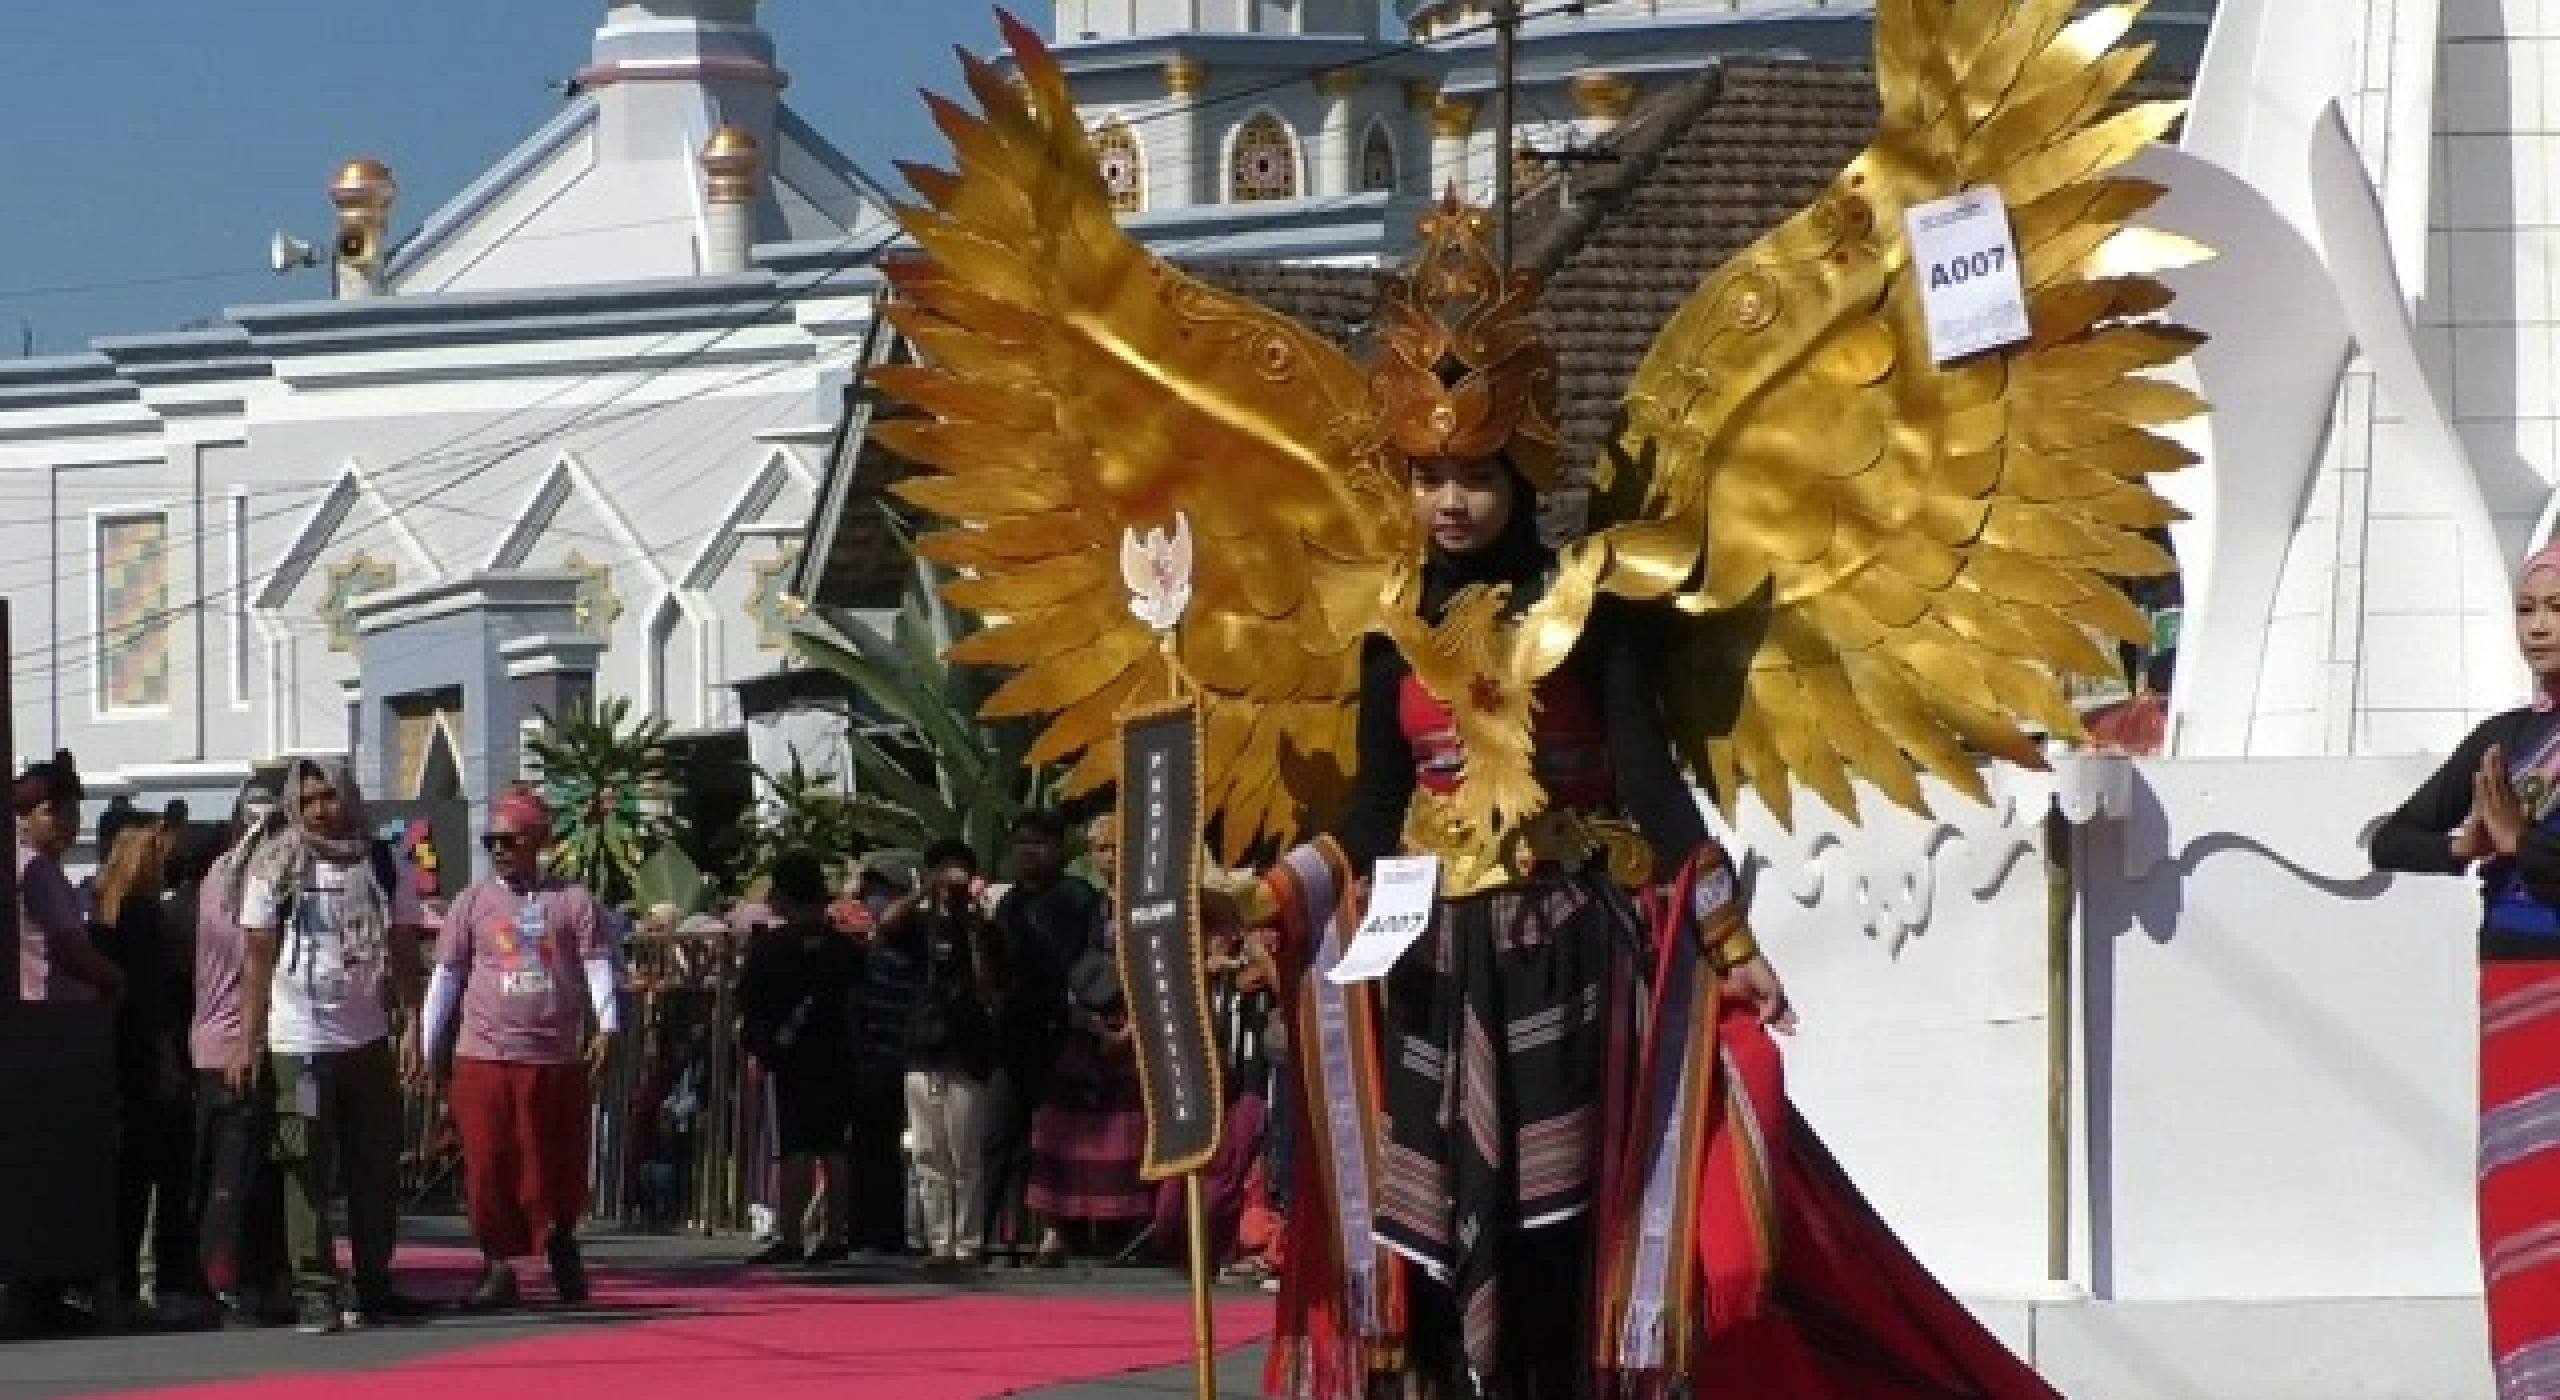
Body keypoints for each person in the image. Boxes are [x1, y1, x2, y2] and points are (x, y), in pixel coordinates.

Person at [870, 13, 2196, 1395]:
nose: (1450, 500)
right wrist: (1249, 903)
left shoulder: (1600, 598)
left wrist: (1728, 937)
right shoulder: (1384, 630)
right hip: (1429, 971)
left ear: (1521, 471)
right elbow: (1375, 819)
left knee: (1581, 1267)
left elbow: (1647, 778)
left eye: (1478, 475)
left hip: (1579, 963)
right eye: (1432, 475)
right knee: (1434, 1284)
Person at [2373, 539, 2560, 1395]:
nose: (2540, 627)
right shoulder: (2502, 740)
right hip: (2513, 994)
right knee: (2521, 1208)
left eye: (2556, 608)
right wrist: (2463, 845)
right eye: (2527, 610)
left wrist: (2527, 844)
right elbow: (2388, 836)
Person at [234, 757, 431, 1334]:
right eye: (312, 797)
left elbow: (402, 951)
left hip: (367, 1040)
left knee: (374, 1167)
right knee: (306, 1167)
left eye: (332, 795)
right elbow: (256, 959)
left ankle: (374, 1283)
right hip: (301, 1044)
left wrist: (412, 1027)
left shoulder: (383, 862)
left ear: (350, 796)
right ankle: (316, 1290)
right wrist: (247, 1042)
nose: (323, 808)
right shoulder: (275, 865)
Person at [420, 787, 620, 1311]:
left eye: (510, 839)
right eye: (493, 842)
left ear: (538, 840)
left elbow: (597, 965)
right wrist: (427, 1040)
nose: (500, 850)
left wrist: (608, 1025)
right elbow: (447, 974)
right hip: (484, 1053)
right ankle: (497, 1264)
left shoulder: (573, 901)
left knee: (556, 1160)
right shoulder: (472, 903)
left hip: (554, 1055)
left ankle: (560, 1239)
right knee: (488, 1162)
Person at [1024, 813, 1152, 1263]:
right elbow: (1057, 963)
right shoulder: (1081, 903)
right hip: (1080, 1024)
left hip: (1134, 1025)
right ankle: (1055, 1232)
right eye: (1102, 849)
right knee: (1059, 1130)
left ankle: (1125, 1232)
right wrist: (1084, 1021)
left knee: (1126, 1135)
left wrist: (1133, 1029)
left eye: (1118, 848)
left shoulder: (1153, 906)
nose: (1109, 857)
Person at [984, 809, 1105, 1264]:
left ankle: (1054, 1234)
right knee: (1000, 1135)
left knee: (1055, 1138)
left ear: (1058, 849)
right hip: (1014, 1030)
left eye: (1038, 842)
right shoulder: (1009, 903)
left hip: (1065, 1028)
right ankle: (994, 1233)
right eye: (1021, 843)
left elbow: (1091, 961)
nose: (1028, 851)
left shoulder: (1078, 898)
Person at [189, 788, 290, 1327]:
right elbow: (259, 960)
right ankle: (242, 1283)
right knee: (248, 1171)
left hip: (215, 1044)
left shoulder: (215, 878)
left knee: (229, 1169)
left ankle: (238, 1280)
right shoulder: (257, 882)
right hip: (245, 1045)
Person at [879, 839, 1003, 1267]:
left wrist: (975, 923)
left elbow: (988, 986)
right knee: (928, 1151)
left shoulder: (981, 924)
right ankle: (938, 1241)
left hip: (965, 1047)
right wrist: (926, 890)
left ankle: (968, 1243)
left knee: (964, 1152)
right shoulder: (921, 924)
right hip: (922, 1044)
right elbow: (886, 924)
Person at [93, 823, 199, 1321]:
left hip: (115, 1055)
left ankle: (120, 1282)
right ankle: (155, 1282)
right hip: (147, 1053)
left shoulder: (106, 912)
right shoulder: (145, 918)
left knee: (125, 1175)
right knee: (162, 1170)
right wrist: (166, 1059)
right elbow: (152, 998)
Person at [736, 850, 861, 1267]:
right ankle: (835, 1234)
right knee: (833, 1145)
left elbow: (750, 1004)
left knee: (794, 1146)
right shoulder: (844, 947)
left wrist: (758, 1047)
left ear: (784, 895)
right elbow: (858, 998)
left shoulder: (771, 948)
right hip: (837, 1052)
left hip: (788, 1056)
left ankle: (790, 1235)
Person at [844, 860, 919, 1258]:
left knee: (892, 1151)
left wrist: (921, 889)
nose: (870, 901)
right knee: (869, 1147)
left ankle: (887, 1232)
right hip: (873, 1056)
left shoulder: (910, 931)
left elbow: (895, 917)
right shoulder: (873, 941)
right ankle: (866, 1230)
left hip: (901, 1055)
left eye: (879, 891)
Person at [17, 751, 123, 1004]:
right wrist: (115, 981)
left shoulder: (26, 863)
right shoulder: (37, 869)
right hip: (54, 1013)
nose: (67, 822)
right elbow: (71, 950)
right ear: (23, 818)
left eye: (74, 812)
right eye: (51, 811)